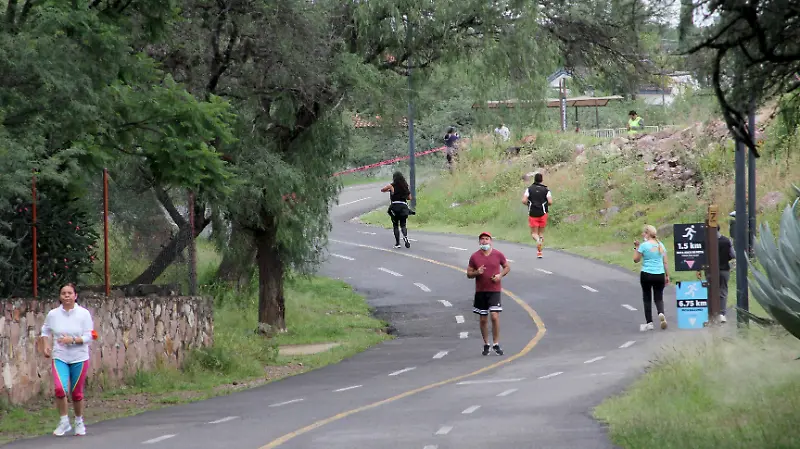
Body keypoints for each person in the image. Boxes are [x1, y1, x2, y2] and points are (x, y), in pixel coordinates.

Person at [41, 283, 95, 436]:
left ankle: (79, 421)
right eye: (63, 293)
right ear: (60, 296)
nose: (66, 296)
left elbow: (89, 336)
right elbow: (45, 330)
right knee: (59, 389)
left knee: (76, 393)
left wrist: (72, 340)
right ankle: (64, 421)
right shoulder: (53, 314)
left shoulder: (83, 314)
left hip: (79, 357)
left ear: (75, 296)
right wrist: (46, 345)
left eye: (69, 293)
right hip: (60, 357)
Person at [466, 232, 510, 356]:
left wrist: (500, 275)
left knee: (495, 316)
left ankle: (496, 343)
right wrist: (477, 272)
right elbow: (468, 274)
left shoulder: (498, 254)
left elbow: (507, 267)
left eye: (487, 239)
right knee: (483, 319)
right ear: (479, 242)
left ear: (491, 241)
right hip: (481, 291)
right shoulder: (474, 257)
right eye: (482, 239)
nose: (484, 241)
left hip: (494, 290)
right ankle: (486, 344)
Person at [633, 225, 670, 331]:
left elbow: (636, 259)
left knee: (647, 298)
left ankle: (649, 323)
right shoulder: (660, 245)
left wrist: (636, 247)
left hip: (646, 273)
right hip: (659, 274)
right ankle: (661, 313)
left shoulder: (644, 246)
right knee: (659, 297)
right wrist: (667, 275)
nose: (642, 235)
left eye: (643, 233)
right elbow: (665, 262)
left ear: (647, 234)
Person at [707, 225, 735, 323]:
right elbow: (733, 255)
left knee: (710, 291)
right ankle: (722, 314)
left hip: (710, 271)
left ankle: (711, 314)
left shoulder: (707, 241)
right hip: (724, 270)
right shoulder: (726, 241)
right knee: (723, 291)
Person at [521, 173, 553, 258]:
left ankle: (538, 241)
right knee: (541, 233)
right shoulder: (546, 190)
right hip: (543, 213)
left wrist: (529, 204)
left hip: (533, 213)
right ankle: (539, 252)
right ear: (541, 180)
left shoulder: (529, 189)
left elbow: (524, 200)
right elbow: (550, 202)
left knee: (534, 233)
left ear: (534, 179)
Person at [380, 171, 413, 249]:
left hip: (395, 207)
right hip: (403, 207)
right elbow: (410, 198)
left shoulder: (392, 186)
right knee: (403, 224)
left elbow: (382, 190)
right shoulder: (405, 186)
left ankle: (398, 243)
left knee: (395, 225)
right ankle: (405, 236)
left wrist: (390, 190)